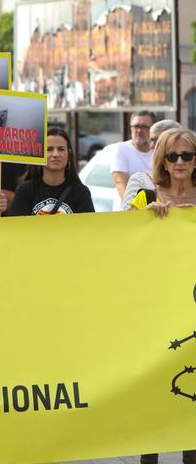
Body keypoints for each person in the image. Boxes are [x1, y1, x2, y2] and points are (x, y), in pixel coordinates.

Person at [129, 128, 196, 464]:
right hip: (156, 306)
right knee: (154, 389)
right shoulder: (145, 194)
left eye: (187, 155)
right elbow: (124, 243)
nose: (180, 162)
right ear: (163, 161)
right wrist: (145, 219)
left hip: (193, 307)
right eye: (173, 156)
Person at [6, 128, 94, 215]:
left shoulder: (81, 193)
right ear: (39, 153)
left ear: (69, 153)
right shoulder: (25, 191)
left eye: (61, 149)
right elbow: (19, 228)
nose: (56, 154)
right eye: (49, 149)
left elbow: (89, 228)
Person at [122, 119, 181, 210]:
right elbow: (127, 220)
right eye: (151, 140)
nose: (153, 145)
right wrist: (149, 212)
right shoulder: (140, 180)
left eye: (160, 140)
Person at [112, 110, 156, 209]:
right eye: (136, 126)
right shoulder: (121, 149)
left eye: (144, 127)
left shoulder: (158, 151)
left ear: (153, 129)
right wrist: (133, 210)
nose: (139, 131)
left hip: (155, 212)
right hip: (129, 214)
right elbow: (120, 182)